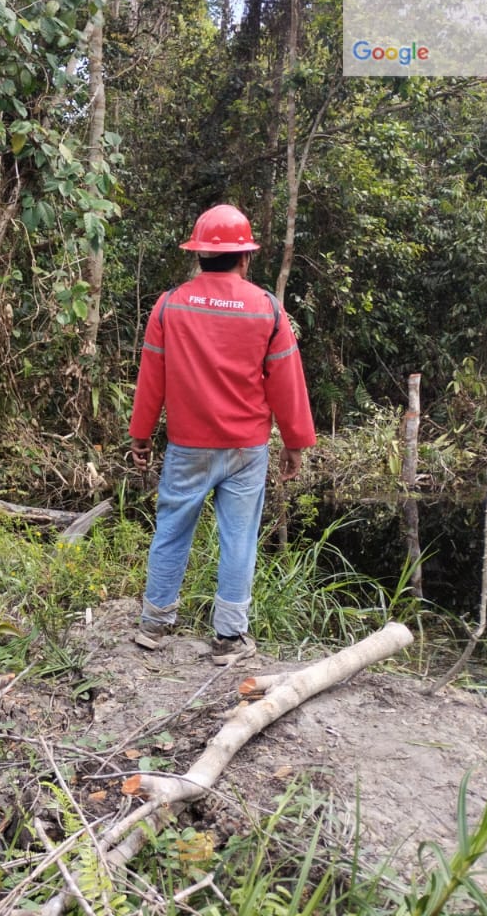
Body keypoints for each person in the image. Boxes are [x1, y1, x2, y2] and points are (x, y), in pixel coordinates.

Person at [127, 205, 315, 664]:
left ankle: (154, 625)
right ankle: (229, 638)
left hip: (188, 445)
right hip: (246, 449)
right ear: (244, 258)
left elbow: (152, 376)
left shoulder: (170, 304)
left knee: (171, 530)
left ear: (198, 256)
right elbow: (286, 382)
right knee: (239, 538)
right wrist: (295, 442)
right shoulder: (267, 308)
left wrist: (141, 434)